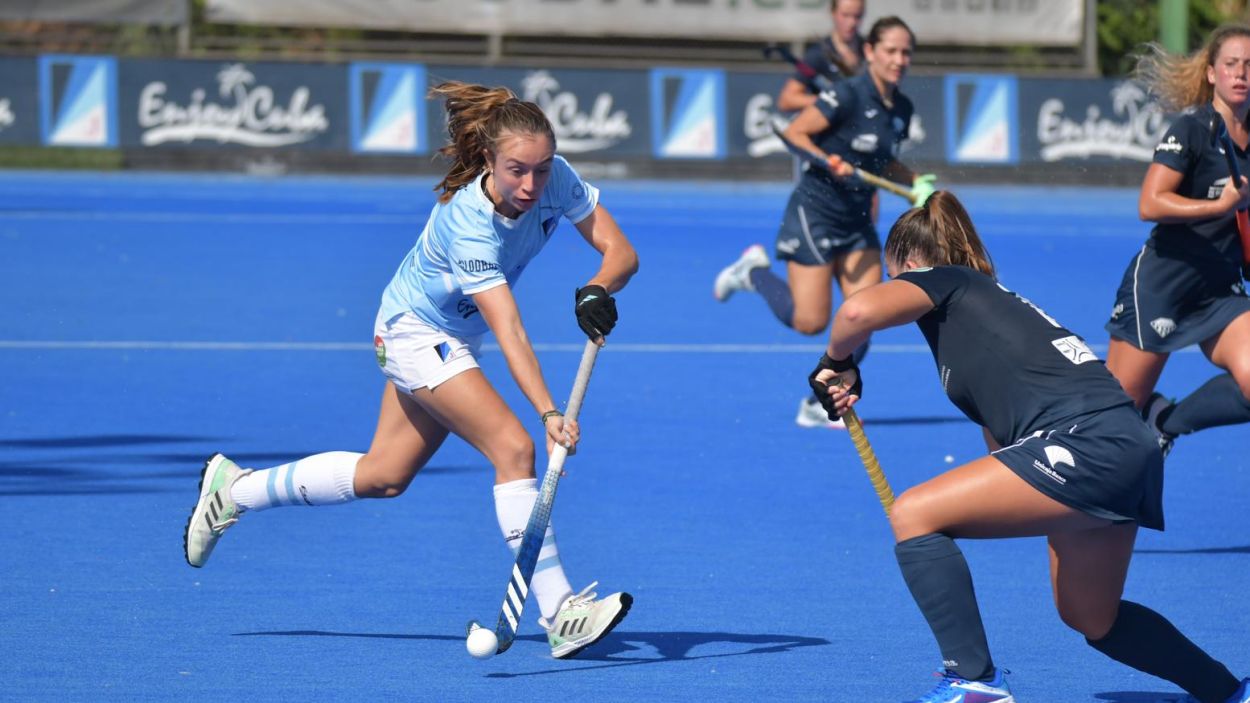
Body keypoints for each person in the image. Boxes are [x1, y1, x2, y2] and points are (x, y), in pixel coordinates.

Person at [182, 80, 640, 660]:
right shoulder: (467, 223)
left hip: (453, 335)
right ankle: (560, 611)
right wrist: (549, 411)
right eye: (517, 171)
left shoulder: (555, 178)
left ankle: (237, 491)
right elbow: (510, 329)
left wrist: (598, 287)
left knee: (384, 475)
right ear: (489, 161)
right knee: (513, 447)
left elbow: (622, 252)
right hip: (413, 332)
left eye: (542, 170)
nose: (531, 185)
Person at [807, 191, 1249, 703]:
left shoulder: (949, 281)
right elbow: (1006, 447)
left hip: (1087, 442)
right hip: (1124, 446)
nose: (895, 290)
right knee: (1091, 615)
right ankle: (1228, 691)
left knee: (914, 513)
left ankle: (973, 681)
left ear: (909, 266)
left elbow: (858, 312)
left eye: (894, 277)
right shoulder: (985, 313)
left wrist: (836, 360)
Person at [715, 15, 937, 429]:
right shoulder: (848, 94)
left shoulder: (901, 109)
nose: (899, 59)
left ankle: (819, 402)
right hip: (814, 214)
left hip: (856, 221)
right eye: (890, 50)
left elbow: (881, 160)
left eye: (906, 52)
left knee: (866, 316)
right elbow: (795, 133)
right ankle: (755, 273)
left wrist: (915, 183)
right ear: (870, 52)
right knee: (810, 321)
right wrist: (827, 161)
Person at [1105, 24, 1250, 457]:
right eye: (1231, 64)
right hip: (1162, 284)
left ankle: (1167, 421)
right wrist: (1218, 206)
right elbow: (1150, 204)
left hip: (1219, 290)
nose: (1242, 73)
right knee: (1112, 422)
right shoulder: (1192, 129)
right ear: (1211, 74)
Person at [775, 0, 866, 114]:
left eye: (857, 16)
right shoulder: (818, 54)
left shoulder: (871, 51)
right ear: (833, 13)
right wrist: (829, 100)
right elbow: (786, 100)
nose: (851, 22)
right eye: (845, 15)